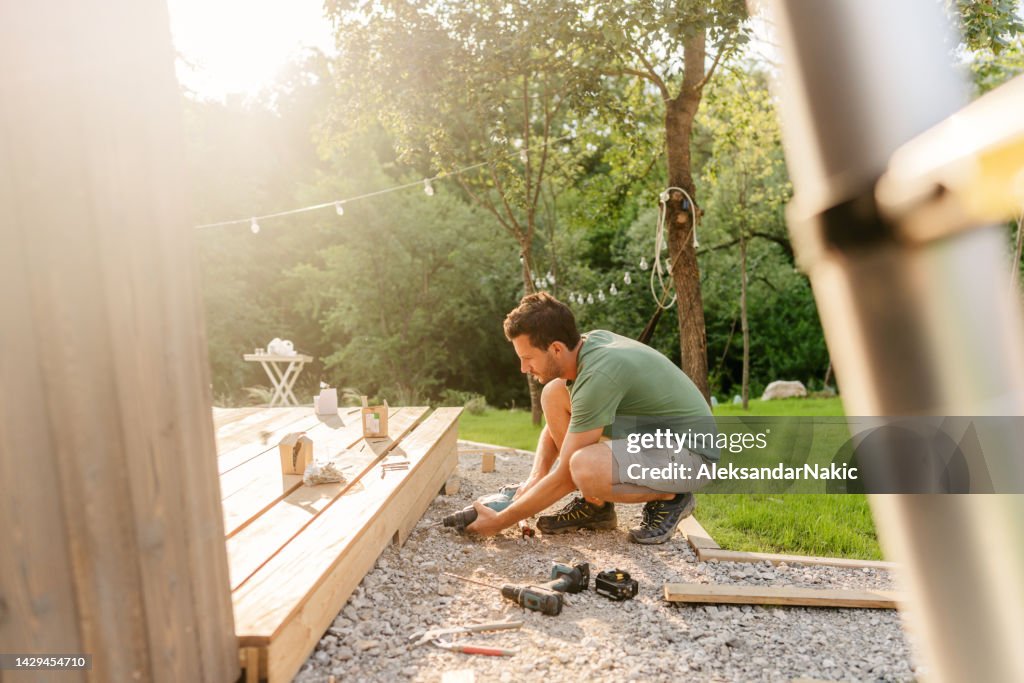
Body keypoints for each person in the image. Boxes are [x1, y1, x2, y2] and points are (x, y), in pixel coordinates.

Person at [467, 292, 718, 544]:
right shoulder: (585, 348)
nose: (523, 368)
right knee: (553, 394)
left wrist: (500, 521)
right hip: (659, 441)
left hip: (693, 456)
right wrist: (535, 478)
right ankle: (596, 507)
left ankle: (672, 497)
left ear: (556, 348)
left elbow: (566, 476)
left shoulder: (598, 374)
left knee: (584, 468)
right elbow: (567, 422)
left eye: (527, 358)